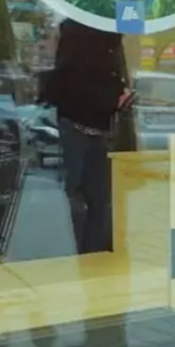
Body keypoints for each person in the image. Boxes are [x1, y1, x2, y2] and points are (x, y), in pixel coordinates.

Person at [44, 19, 133, 254]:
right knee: (88, 197)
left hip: (89, 126)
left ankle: (92, 252)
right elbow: (76, 81)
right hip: (83, 125)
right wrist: (114, 99)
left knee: (94, 198)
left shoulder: (87, 38)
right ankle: (89, 252)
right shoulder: (89, 39)